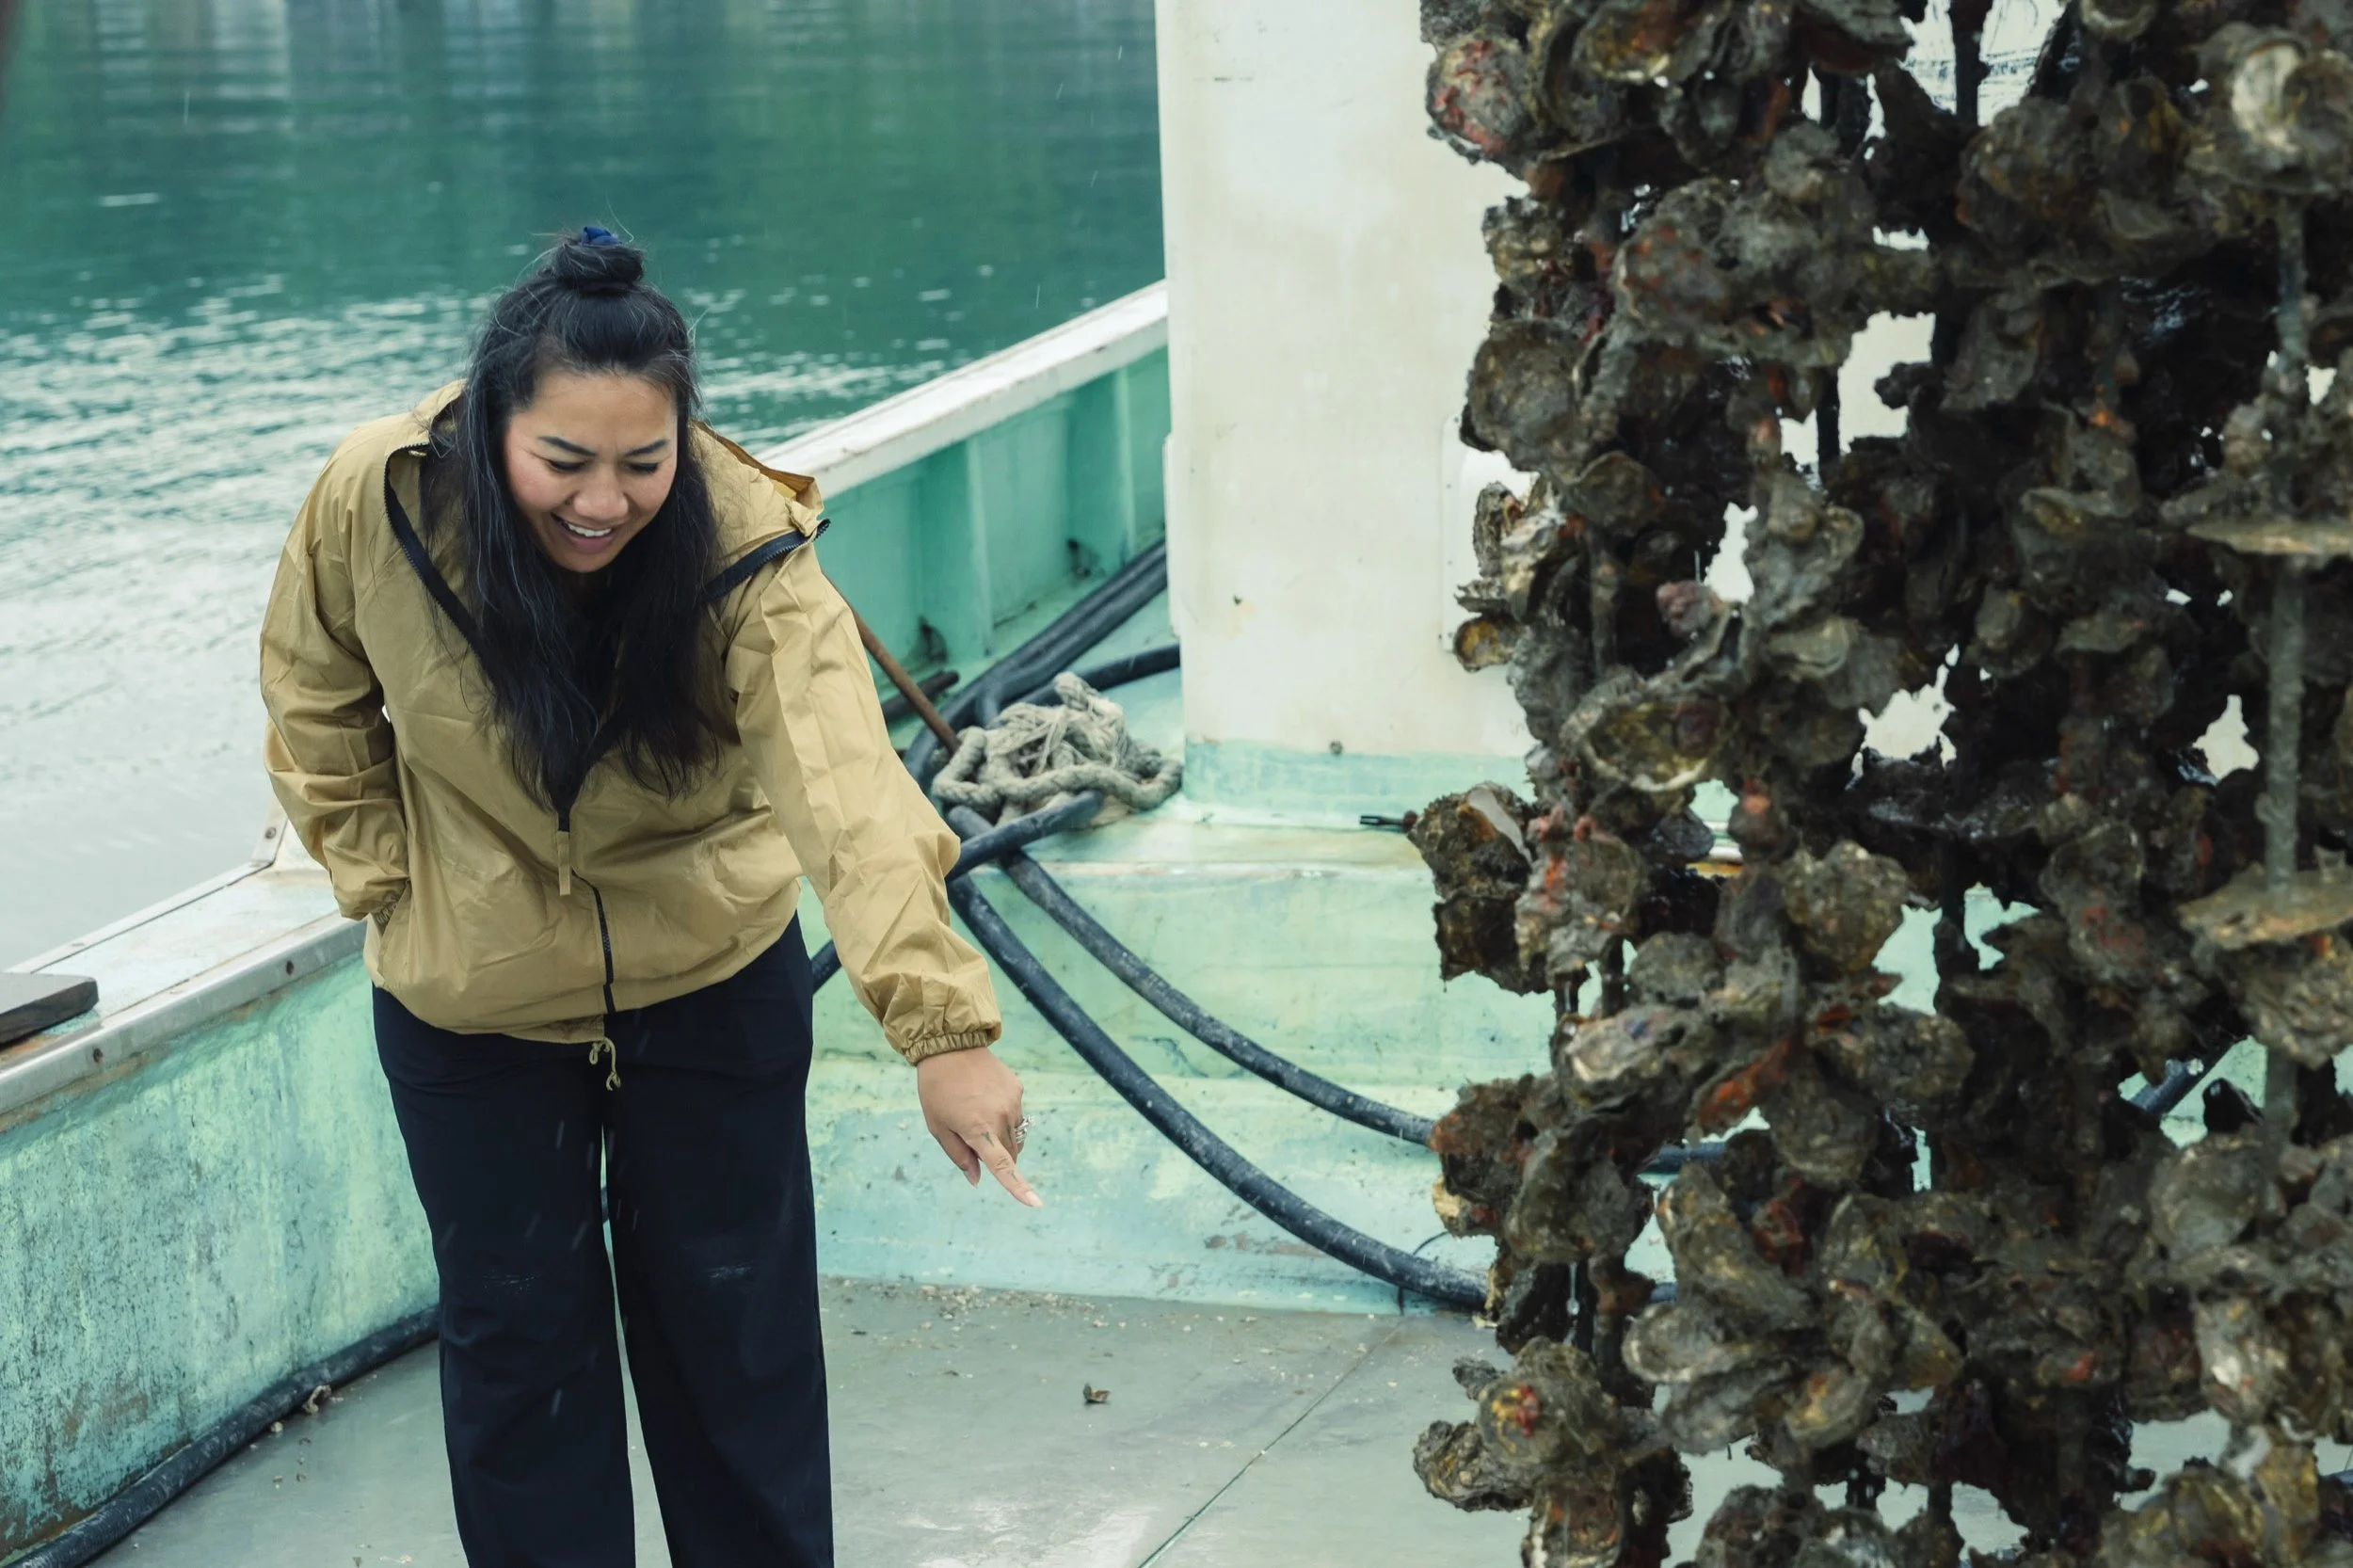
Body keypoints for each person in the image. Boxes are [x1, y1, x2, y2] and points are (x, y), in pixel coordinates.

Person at [259, 226, 1035, 1568]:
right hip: (471, 1000)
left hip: (709, 978)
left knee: (739, 1339)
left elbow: (848, 795)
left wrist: (944, 1031)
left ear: (686, 439)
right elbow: (313, 687)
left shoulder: (747, 548)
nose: (603, 501)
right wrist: (391, 882)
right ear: (492, 421)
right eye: (562, 460)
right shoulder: (377, 498)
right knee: (518, 1349)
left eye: (642, 462)